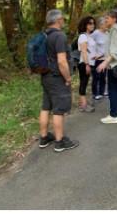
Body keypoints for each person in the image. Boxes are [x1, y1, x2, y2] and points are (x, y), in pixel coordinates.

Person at [37, 10, 79, 152]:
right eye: (63, 19)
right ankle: (60, 142)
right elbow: (62, 61)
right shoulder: (59, 36)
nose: (63, 21)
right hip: (57, 77)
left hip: (45, 76)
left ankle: (44, 138)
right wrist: (67, 78)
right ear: (58, 20)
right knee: (59, 110)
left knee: (46, 107)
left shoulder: (44, 35)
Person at [97, 12, 117, 124]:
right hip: (115, 64)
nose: (105, 20)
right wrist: (102, 56)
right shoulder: (114, 29)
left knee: (112, 89)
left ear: (114, 19)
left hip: (113, 65)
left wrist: (104, 63)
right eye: (104, 18)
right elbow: (112, 48)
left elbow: (115, 52)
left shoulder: (115, 30)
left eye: (107, 18)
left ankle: (114, 115)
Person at [76, 16, 96, 112]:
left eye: (93, 23)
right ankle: (83, 105)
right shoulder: (83, 36)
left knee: (85, 83)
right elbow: (84, 51)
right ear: (85, 25)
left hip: (90, 63)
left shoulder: (90, 36)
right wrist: (87, 64)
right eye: (90, 23)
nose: (92, 25)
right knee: (83, 83)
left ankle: (82, 104)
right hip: (84, 63)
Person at [91, 15, 109, 101]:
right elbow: (89, 44)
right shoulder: (96, 33)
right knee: (96, 77)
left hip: (105, 59)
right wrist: (93, 54)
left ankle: (102, 91)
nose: (107, 25)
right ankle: (95, 93)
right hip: (97, 60)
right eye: (106, 23)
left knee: (103, 76)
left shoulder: (107, 33)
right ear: (101, 25)